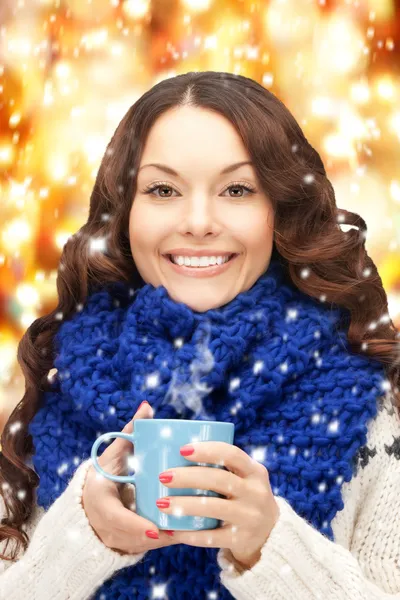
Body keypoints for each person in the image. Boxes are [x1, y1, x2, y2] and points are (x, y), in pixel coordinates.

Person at [0, 71, 399, 600]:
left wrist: (273, 549)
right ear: (125, 214)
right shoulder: (49, 390)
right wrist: (78, 540)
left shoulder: (372, 407)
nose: (198, 221)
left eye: (236, 189)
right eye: (163, 189)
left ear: (277, 211)